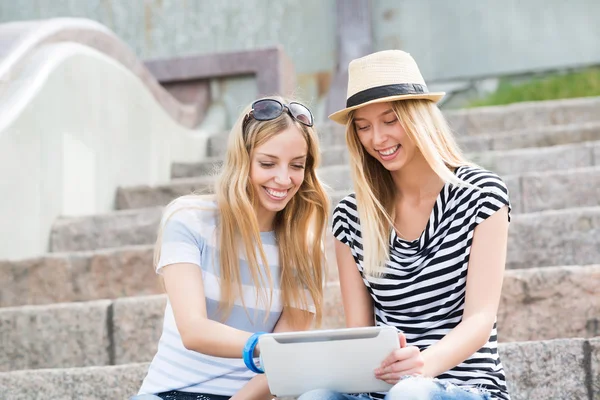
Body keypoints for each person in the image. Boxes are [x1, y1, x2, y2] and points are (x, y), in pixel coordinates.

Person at [299, 50, 511, 400]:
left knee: (411, 395)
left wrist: (420, 368)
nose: (377, 139)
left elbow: (479, 320)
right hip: (385, 390)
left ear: (418, 117)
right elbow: (360, 332)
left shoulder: (481, 194)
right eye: (363, 127)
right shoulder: (351, 217)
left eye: (390, 120)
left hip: (465, 387)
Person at [132, 97, 330, 400]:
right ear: (243, 159)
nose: (283, 178)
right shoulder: (189, 219)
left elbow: (280, 365)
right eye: (267, 163)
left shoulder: (305, 249)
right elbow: (193, 330)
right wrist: (262, 345)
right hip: (169, 393)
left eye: (296, 165)